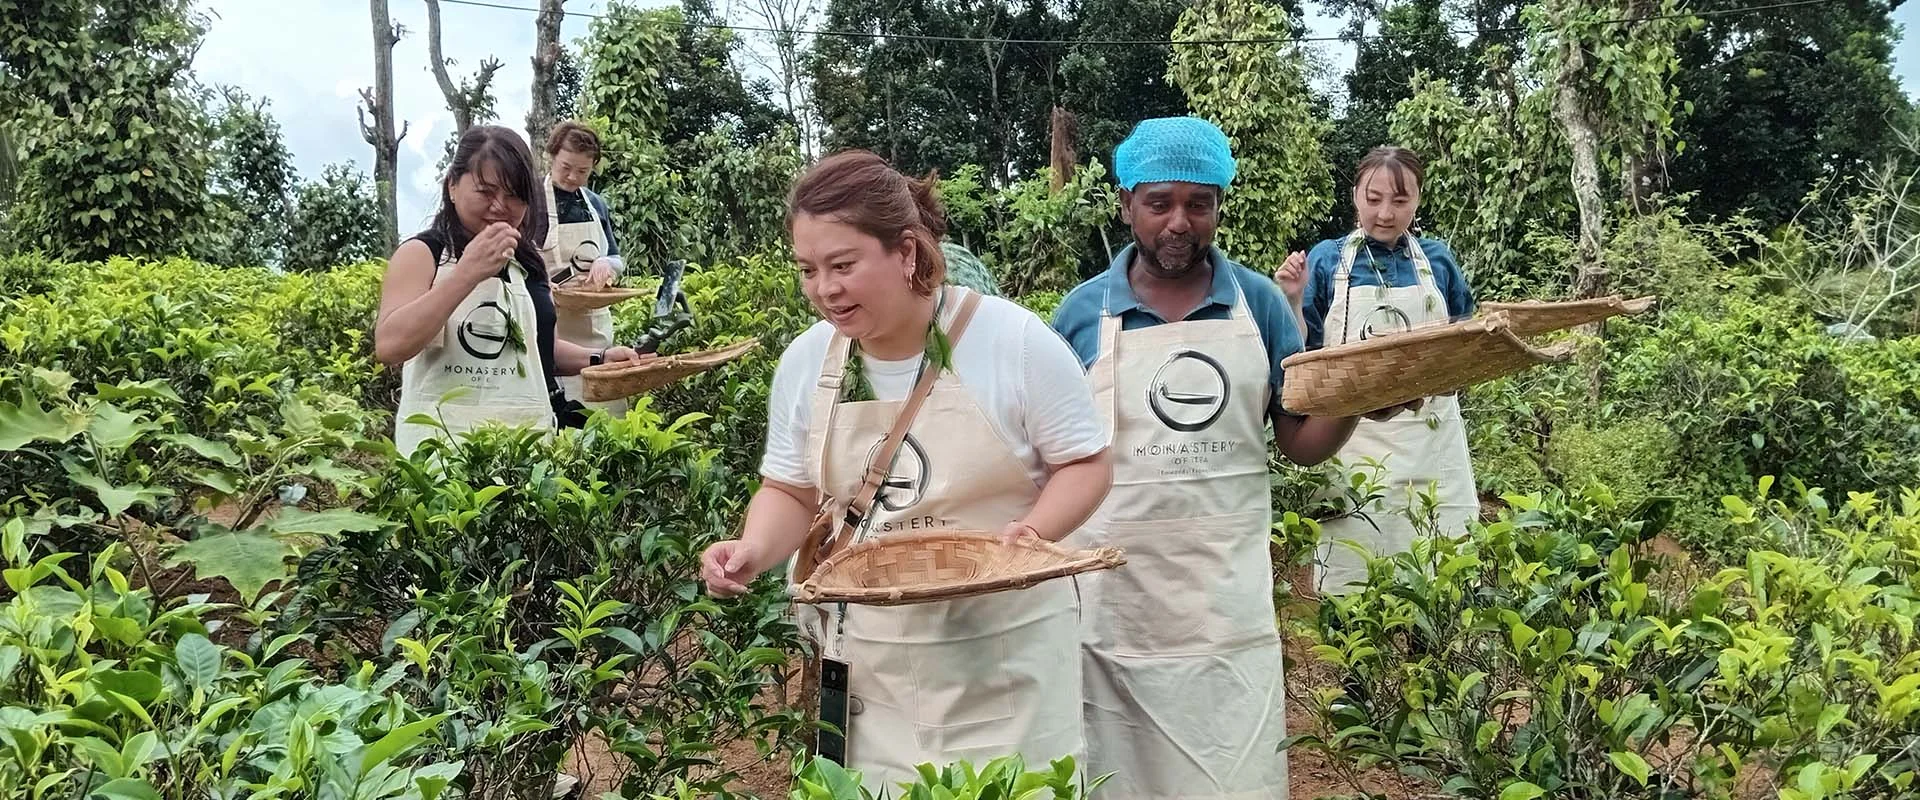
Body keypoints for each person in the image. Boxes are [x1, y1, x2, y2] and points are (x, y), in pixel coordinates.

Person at [699, 151, 1113, 788]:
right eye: (808, 270)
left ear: (908, 251)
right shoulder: (809, 362)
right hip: (872, 666)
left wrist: (1030, 534)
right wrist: (753, 549)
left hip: (1002, 654)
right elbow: (790, 487)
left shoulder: (1014, 341)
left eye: (843, 265)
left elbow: (1085, 464)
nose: (824, 289)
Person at [1051, 117, 1415, 800]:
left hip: (1224, 605)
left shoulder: (1259, 305)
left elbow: (1300, 443)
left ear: (1220, 205)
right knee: (1114, 776)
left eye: (1199, 203)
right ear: (1127, 202)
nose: (1179, 222)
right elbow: (1054, 458)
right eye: (1159, 202)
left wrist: (1359, 401)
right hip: (1113, 611)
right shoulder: (1081, 313)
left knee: (1232, 774)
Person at [374, 125, 646, 457]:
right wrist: (466, 274)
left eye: (514, 195)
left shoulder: (528, 262)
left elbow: (537, 348)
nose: (501, 206)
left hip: (524, 451)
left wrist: (600, 359)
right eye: (486, 192)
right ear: (453, 187)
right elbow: (390, 345)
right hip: (444, 453)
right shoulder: (422, 254)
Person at [1282, 145, 1478, 596]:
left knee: (1441, 572)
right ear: (1355, 196)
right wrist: (1292, 296)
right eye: (1373, 199)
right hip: (1351, 444)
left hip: (1431, 439)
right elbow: (1301, 354)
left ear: (1418, 201)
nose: (1385, 213)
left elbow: (1465, 344)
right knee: (1354, 575)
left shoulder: (1438, 262)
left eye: (1399, 200)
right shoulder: (1328, 261)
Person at [539, 120, 632, 415]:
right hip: (553, 328)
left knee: (608, 417)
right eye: (566, 167)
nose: (572, 177)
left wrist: (607, 263)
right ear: (551, 156)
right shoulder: (533, 204)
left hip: (596, 328)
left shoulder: (596, 204)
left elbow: (617, 258)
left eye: (583, 171)